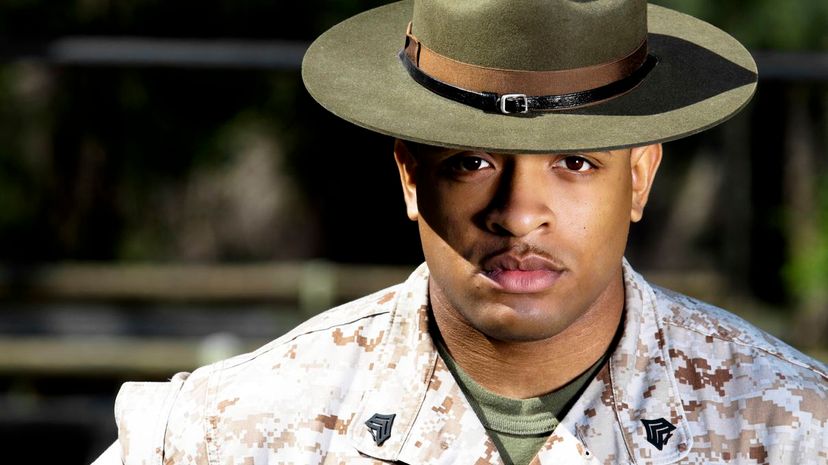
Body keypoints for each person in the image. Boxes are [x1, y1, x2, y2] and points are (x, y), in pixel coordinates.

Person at [92, 0, 828, 464]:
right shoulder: (230, 429)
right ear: (411, 176)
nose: (519, 212)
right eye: (472, 162)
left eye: (575, 162)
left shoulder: (791, 428)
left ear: (639, 178)